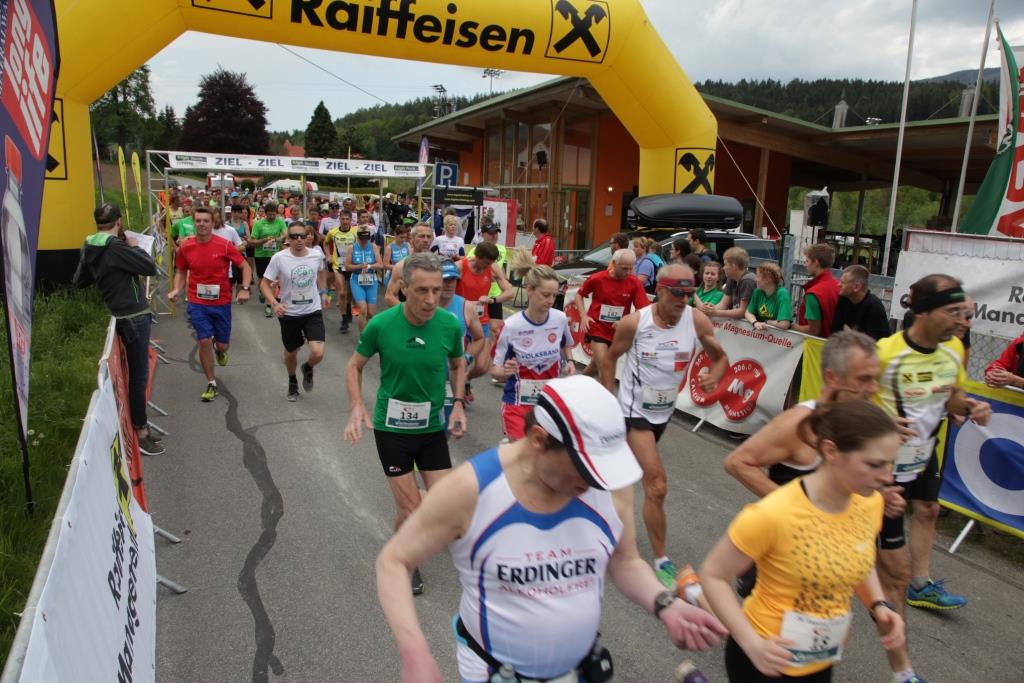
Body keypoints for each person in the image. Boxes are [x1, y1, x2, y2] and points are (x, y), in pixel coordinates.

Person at [375, 375, 727, 683]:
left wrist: (665, 604)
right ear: (538, 439)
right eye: (585, 470)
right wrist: (415, 653)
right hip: (494, 672)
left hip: (580, 669)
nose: (595, 485)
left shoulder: (608, 483)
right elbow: (394, 562)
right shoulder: (471, 489)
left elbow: (625, 561)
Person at [702, 400, 905, 682]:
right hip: (765, 658)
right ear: (831, 451)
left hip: (820, 659)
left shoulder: (869, 504)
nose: (887, 476)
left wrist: (879, 604)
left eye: (890, 463)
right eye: (874, 464)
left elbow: (857, 554)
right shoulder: (774, 513)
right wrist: (751, 642)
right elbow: (713, 575)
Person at [874, 274, 991, 683]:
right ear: (923, 312)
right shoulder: (885, 353)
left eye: (965, 312)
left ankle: (903, 670)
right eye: (953, 311)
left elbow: (952, 397)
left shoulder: (954, 349)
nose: (962, 320)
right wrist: (880, 422)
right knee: (877, 566)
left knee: (926, 515)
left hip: (922, 454)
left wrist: (970, 407)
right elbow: (844, 405)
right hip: (879, 469)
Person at [724, 330, 882, 596]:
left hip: (820, 559)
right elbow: (737, 462)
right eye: (864, 379)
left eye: (875, 379)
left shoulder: (856, 419)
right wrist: (800, 509)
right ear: (832, 378)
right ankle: (694, 593)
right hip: (778, 556)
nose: (874, 388)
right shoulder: (797, 423)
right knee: (753, 619)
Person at [345, 253, 468, 595]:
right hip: (392, 429)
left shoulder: (448, 324)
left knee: (441, 505)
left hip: (431, 428)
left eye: (437, 290)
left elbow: (458, 364)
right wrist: (357, 405)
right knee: (411, 507)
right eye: (422, 291)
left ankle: (410, 517)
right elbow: (354, 366)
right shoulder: (381, 325)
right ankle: (403, 560)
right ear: (403, 288)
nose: (431, 299)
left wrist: (458, 403)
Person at [602, 263, 729, 587]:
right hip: (634, 412)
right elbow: (610, 357)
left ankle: (594, 503)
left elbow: (720, 357)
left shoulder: (696, 320)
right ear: (659, 291)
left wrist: (714, 376)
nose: (683, 300)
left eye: (689, 294)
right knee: (656, 485)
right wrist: (606, 399)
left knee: (621, 473)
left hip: (663, 412)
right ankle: (661, 561)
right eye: (677, 294)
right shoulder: (635, 323)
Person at [73, 203, 164, 456]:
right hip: (135, 314)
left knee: (133, 375)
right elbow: (149, 267)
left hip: (118, 313)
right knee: (138, 377)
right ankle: (141, 432)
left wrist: (106, 275)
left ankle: (139, 425)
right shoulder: (116, 246)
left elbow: (80, 281)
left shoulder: (89, 245)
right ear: (119, 221)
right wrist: (134, 247)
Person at [168, 206, 252, 401]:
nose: (202, 224)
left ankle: (219, 349)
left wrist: (245, 288)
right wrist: (177, 289)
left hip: (221, 301)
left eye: (206, 221)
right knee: (204, 340)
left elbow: (245, 266)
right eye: (198, 221)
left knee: (222, 345)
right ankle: (211, 383)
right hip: (197, 301)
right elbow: (181, 271)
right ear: (193, 222)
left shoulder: (224, 245)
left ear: (213, 223)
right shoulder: (186, 247)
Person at [490, 266, 575, 440]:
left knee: (543, 452)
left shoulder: (559, 319)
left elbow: (567, 344)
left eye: (554, 296)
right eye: (545, 295)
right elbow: (494, 370)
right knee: (523, 451)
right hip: (517, 402)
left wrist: (570, 361)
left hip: (547, 402)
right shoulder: (511, 326)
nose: (550, 301)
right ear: (529, 290)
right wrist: (504, 372)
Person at [260, 222, 329, 401]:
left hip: (312, 310)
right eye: (294, 236)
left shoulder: (316, 255)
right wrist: (275, 304)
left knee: (318, 352)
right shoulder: (279, 258)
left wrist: (323, 292)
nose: (299, 240)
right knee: (291, 352)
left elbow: (322, 272)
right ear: (288, 239)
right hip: (289, 313)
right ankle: (292, 381)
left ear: (307, 237)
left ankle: (308, 367)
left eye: (302, 236)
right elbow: (264, 284)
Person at [574, 248, 649, 379]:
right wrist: (583, 316)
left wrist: (624, 322)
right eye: (624, 268)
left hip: (617, 332)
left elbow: (643, 310)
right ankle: (605, 392)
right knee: (605, 367)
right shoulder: (597, 278)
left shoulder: (634, 282)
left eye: (631, 268)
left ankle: (574, 384)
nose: (628, 272)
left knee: (594, 367)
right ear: (614, 263)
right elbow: (579, 295)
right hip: (597, 328)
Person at [455, 241, 514, 400]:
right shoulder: (460, 267)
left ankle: (466, 380)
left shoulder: (492, 268)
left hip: (482, 320)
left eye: (491, 263)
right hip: (461, 319)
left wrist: (492, 300)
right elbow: (443, 290)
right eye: (486, 262)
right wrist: (463, 303)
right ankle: (456, 393)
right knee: (458, 361)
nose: (488, 266)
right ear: (477, 257)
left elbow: (509, 292)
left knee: (482, 366)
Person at [439, 259, 486, 428]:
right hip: (425, 376)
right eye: (445, 279)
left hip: (451, 378)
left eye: (453, 280)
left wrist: (467, 358)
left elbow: (479, 338)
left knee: (446, 429)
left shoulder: (466, 306)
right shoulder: (423, 304)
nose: (449, 284)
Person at [466, 223, 508, 338]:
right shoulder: (475, 251)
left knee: (496, 329)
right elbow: (469, 270)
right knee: (477, 329)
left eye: (496, 233)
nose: (494, 236)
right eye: (491, 233)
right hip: (479, 297)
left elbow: (501, 267)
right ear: (483, 235)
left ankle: (492, 349)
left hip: (495, 295)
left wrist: (502, 277)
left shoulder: (502, 249)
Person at [831, 264, 892, 340]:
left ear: (856, 287)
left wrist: (850, 333)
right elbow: (836, 331)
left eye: (843, 283)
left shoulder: (874, 307)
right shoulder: (843, 299)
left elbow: (877, 341)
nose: (839, 285)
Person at [248, 202, 287, 318]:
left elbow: (285, 234)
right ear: (265, 214)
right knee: (262, 280)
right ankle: (262, 292)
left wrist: (277, 239)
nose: (271, 216)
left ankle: (269, 305)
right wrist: (264, 240)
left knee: (273, 281)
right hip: (261, 255)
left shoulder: (280, 221)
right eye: (269, 214)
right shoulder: (259, 224)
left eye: (273, 214)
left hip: (275, 256)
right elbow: (252, 241)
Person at [793, 244, 840, 338]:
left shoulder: (814, 293)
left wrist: (791, 326)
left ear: (816, 262)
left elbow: (813, 331)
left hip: (817, 345)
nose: (805, 265)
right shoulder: (839, 286)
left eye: (807, 261)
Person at [344, 223, 383, 334]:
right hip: (356, 280)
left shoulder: (373, 247)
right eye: (362, 238)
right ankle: (363, 337)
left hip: (371, 280)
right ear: (358, 236)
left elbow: (380, 265)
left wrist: (369, 266)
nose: (364, 241)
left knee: (370, 313)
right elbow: (347, 266)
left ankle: (367, 331)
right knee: (363, 310)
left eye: (366, 238)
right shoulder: (352, 248)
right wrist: (359, 266)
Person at [384, 223, 435, 307]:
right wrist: (409, 311)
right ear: (412, 239)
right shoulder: (401, 266)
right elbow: (389, 296)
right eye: (422, 236)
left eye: (429, 237)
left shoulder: (436, 264)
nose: (426, 240)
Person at [700, 246, 755, 320]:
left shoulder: (748, 281)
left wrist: (715, 312)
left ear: (734, 266)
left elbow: (742, 311)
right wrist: (710, 309)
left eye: (725, 264)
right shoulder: (731, 278)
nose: (723, 268)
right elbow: (724, 304)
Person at [325, 209, 357, 332]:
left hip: (352, 266)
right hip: (338, 266)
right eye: (343, 219)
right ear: (340, 219)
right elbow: (326, 243)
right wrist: (328, 255)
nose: (345, 221)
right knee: (342, 293)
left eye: (347, 219)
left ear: (350, 220)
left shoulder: (355, 232)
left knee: (350, 294)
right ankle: (344, 320)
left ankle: (348, 306)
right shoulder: (333, 232)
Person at [744, 262, 793, 330]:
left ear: (768, 279)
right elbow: (748, 312)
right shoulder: (758, 291)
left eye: (758, 276)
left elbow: (784, 324)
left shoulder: (782, 294)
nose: (755, 279)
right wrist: (755, 323)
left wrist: (767, 322)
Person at [382, 222, 410, 291]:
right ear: (395, 235)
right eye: (401, 237)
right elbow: (385, 265)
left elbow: (411, 259)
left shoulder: (407, 245)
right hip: (393, 276)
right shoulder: (389, 247)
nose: (403, 239)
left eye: (405, 237)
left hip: (404, 276)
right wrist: (398, 267)